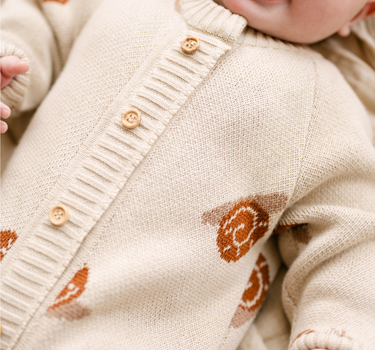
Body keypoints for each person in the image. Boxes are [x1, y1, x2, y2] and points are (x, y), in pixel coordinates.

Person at [0, 0, 374, 349]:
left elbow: (354, 237)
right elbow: (44, 21)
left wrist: (338, 328)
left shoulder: (325, 103)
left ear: (360, 14)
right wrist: (12, 57)